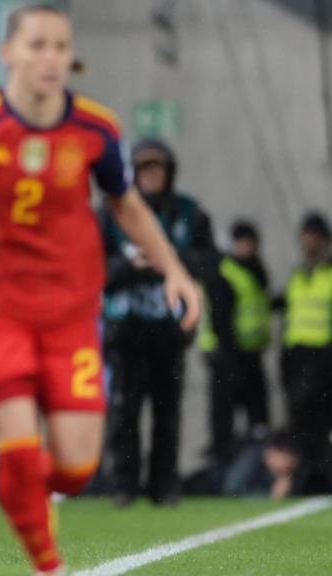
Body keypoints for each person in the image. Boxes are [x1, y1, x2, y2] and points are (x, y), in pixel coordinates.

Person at [0, 5, 200, 575]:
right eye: (38, 45)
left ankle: (19, 488)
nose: (51, 59)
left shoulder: (96, 130)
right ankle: (49, 565)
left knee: (75, 467)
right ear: (9, 53)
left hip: (70, 312)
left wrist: (175, 269)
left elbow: (127, 205)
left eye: (60, 47)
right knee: (19, 445)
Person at [100, 138, 216, 508]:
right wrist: (128, 266)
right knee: (124, 412)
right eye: (144, 168)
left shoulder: (189, 213)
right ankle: (124, 485)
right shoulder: (110, 212)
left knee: (168, 411)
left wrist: (167, 258)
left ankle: (164, 485)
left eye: (158, 167)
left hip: (168, 331)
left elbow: (209, 262)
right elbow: (90, 268)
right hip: (125, 329)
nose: (151, 174)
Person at [198, 220, 272, 464]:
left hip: (250, 354)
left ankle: (254, 469)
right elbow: (221, 318)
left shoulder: (255, 270)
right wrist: (227, 356)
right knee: (223, 419)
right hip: (226, 355)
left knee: (257, 418)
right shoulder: (226, 271)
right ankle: (222, 469)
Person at [279, 212, 332, 491]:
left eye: (315, 235)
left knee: (323, 424)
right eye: (306, 234)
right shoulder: (297, 274)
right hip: (298, 358)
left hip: (324, 358)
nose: (310, 240)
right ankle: (304, 481)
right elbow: (290, 318)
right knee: (300, 424)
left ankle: (323, 479)